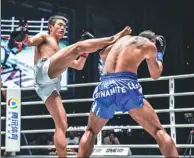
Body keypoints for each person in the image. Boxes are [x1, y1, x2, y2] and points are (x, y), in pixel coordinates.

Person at [10, 15, 131, 157]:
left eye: (65, 26)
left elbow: (79, 66)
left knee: (62, 124)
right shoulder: (44, 36)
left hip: (48, 86)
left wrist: (83, 52)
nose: (63, 28)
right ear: (50, 27)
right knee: (78, 46)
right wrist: (23, 38)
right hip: (44, 72)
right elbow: (30, 41)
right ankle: (114, 38)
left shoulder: (62, 52)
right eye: (60, 25)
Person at [78, 30, 179, 157]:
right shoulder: (148, 45)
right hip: (126, 84)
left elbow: (102, 54)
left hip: (105, 85)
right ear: (152, 41)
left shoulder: (119, 42)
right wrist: (159, 54)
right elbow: (155, 74)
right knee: (158, 130)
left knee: (91, 131)